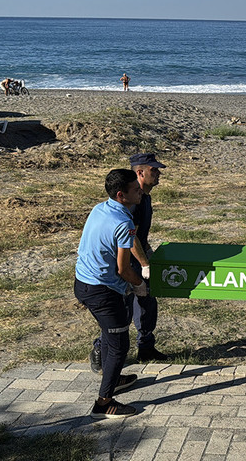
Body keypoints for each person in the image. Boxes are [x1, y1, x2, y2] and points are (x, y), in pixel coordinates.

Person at [74, 169, 145, 419]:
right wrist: (140, 284)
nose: (140, 191)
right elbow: (123, 268)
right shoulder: (124, 222)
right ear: (120, 194)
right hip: (101, 291)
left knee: (111, 331)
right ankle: (104, 403)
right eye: (135, 189)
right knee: (119, 344)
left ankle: (113, 379)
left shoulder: (100, 208)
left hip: (83, 283)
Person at [90, 153, 168, 373]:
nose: (159, 173)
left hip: (138, 259)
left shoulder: (145, 197)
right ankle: (99, 349)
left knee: (147, 304)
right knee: (121, 312)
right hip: (126, 264)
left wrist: (148, 251)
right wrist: (144, 264)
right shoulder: (132, 200)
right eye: (154, 170)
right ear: (139, 173)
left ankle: (146, 347)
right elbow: (129, 236)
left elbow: (139, 235)